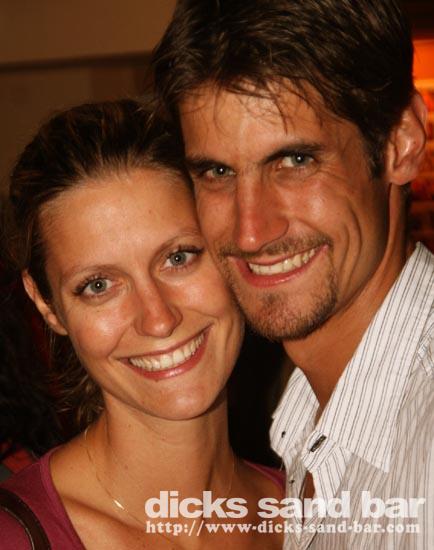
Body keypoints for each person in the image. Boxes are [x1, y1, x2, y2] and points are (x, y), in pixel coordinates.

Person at [151, 0, 434, 547]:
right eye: (217, 171)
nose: (250, 232)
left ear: (400, 143)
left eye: (295, 161)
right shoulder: (304, 409)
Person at [0, 98, 284, 549]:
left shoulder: (318, 513)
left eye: (178, 257)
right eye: (98, 285)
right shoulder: (14, 537)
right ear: (46, 304)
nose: (158, 319)